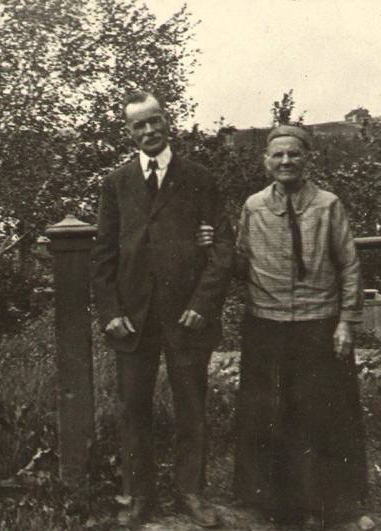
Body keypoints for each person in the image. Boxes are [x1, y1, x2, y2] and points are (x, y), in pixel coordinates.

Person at [92, 91, 234, 528]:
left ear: (167, 121)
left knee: (191, 404)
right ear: (128, 132)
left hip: (186, 316)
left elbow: (224, 247)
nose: (150, 130)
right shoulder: (116, 183)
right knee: (134, 408)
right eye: (139, 125)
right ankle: (140, 495)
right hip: (134, 318)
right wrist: (111, 312)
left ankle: (191, 493)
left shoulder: (199, 177)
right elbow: (104, 255)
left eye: (155, 120)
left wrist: (203, 304)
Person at [233, 125, 369, 531]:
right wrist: (209, 245)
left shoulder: (328, 205)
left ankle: (328, 507)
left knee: (323, 417)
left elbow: (349, 265)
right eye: (278, 155)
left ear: (307, 159)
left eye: (294, 154)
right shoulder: (254, 207)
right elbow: (240, 261)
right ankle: (274, 507)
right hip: (266, 324)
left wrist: (346, 322)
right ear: (266, 162)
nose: (286, 161)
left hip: (318, 324)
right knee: (269, 415)